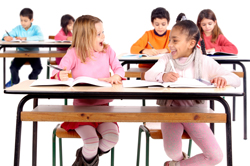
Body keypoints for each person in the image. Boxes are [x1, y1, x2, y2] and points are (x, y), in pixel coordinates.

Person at [145, 18, 240, 166]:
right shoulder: (165, 59)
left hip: (195, 114)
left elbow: (236, 79)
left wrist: (223, 79)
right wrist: (162, 76)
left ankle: (176, 165)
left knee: (215, 156)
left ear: (191, 43)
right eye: (170, 40)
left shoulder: (204, 61)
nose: (170, 45)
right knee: (172, 153)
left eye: (175, 41)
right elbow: (148, 75)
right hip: (171, 113)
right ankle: (178, 161)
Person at [51, 15, 125, 166]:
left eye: (103, 32)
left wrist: (116, 76)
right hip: (81, 111)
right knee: (91, 143)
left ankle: (82, 158)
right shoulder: (74, 53)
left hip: (103, 110)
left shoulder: (107, 50)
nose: (103, 36)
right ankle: (86, 156)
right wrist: (60, 74)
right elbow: (56, 72)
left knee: (112, 138)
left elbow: (119, 69)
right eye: (98, 34)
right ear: (84, 37)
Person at [3, 8, 44, 87]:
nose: (23, 23)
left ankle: (32, 79)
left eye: (25, 21)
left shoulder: (36, 28)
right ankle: (14, 81)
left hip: (34, 53)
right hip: (21, 53)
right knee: (13, 67)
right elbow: (7, 34)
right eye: (21, 20)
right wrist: (5, 37)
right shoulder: (18, 28)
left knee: (38, 68)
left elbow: (41, 37)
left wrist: (25, 38)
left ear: (31, 20)